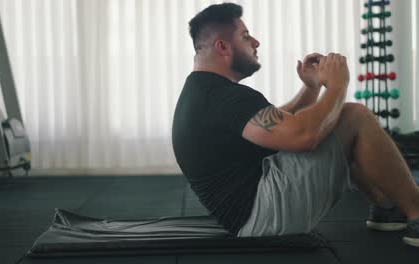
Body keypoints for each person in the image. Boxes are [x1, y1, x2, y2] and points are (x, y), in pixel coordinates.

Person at [171, 3, 419, 247]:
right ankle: (416, 210)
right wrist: (337, 85)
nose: (256, 42)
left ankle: (389, 207)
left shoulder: (205, 91)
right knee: (353, 116)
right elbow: (304, 136)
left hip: (250, 215)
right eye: (245, 36)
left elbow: (276, 125)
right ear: (222, 46)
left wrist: (310, 88)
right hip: (262, 217)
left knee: (331, 124)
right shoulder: (225, 98)